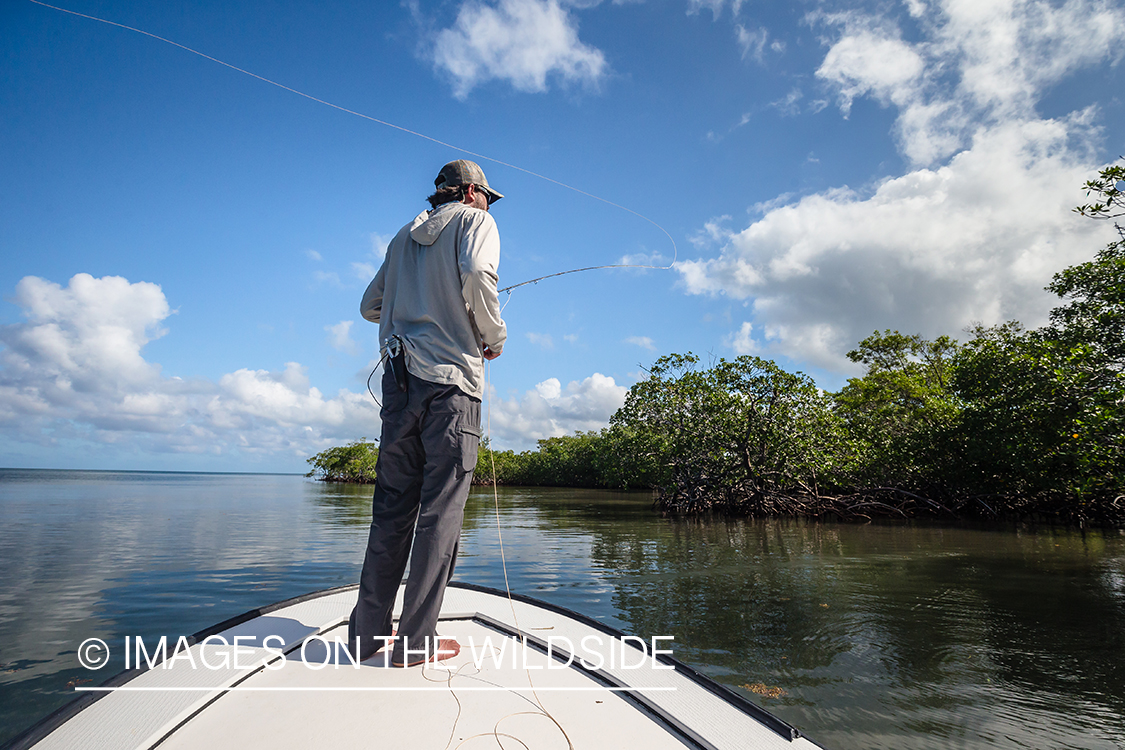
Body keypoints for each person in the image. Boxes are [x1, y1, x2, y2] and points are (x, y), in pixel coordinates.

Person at [348, 160, 506, 668]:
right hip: (452, 386)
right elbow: (479, 273)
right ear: (467, 192)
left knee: (391, 511)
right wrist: (491, 336)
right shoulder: (475, 222)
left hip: (398, 385)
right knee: (441, 513)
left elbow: (370, 305)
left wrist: (410, 307)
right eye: (486, 195)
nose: (489, 204)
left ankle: (366, 636)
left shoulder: (400, 237)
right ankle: (417, 644)